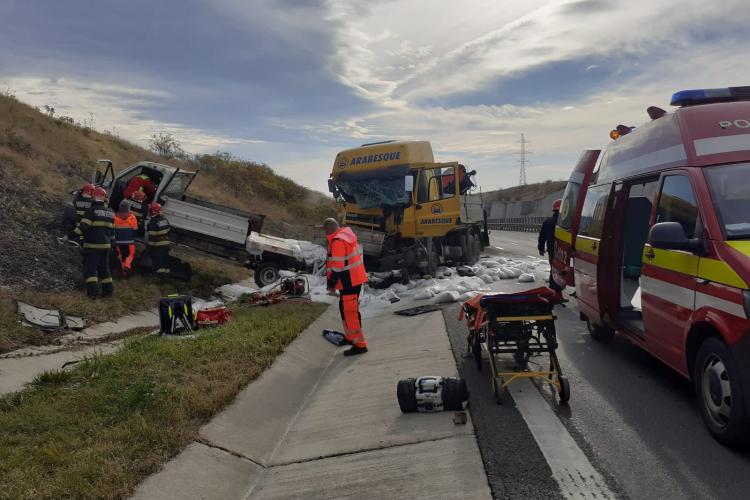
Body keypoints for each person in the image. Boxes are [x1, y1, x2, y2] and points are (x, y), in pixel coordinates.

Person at [324, 218, 369, 356]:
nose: (324, 232)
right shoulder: (344, 235)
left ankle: (360, 345)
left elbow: (338, 267)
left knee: (350, 313)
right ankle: (350, 337)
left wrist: (331, 284)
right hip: (353, 280)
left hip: (349, 282)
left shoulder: (338, 241)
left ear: (329, 229)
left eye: (325, 229)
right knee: (345, 309)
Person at [74, 186, 115, 298]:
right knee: (104, 270)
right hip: (106, 247)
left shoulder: (91, 211)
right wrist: (112, 246)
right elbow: (112, 233)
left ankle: (93, 295)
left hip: (93, 246)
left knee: (90, 271)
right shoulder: (111, 213)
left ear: (93, 197)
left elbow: (83, 227)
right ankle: (108, 293)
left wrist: (71, 235)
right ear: (105, 198)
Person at [538, 198, 565, 301]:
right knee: (561, 272)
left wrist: (541, 248)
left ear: (554, 210)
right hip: (564, 253)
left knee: (554, 272)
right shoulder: (566, 223)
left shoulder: (548, 222)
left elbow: (542, 237)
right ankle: (556, 294)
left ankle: (554, 293)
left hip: (552, 251)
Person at [146, 202, 171, 280]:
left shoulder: (153, 222)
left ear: (153, 211)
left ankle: (162, 279)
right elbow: (169, 231)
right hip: (167, 245)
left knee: (158, 263)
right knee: (165, 261)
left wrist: (149, 247)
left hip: (158, 246)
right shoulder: (165, 219)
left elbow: (152, 237)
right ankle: (167, 277)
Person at [113, 200, 139, 276]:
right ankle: (127, 267)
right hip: (129, 242)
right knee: (130, 255)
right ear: (129, 208)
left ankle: (120, 270)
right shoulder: (132, 217)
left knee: (119, 255)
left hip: (117, 242)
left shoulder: (114, 217)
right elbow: (135, 229)